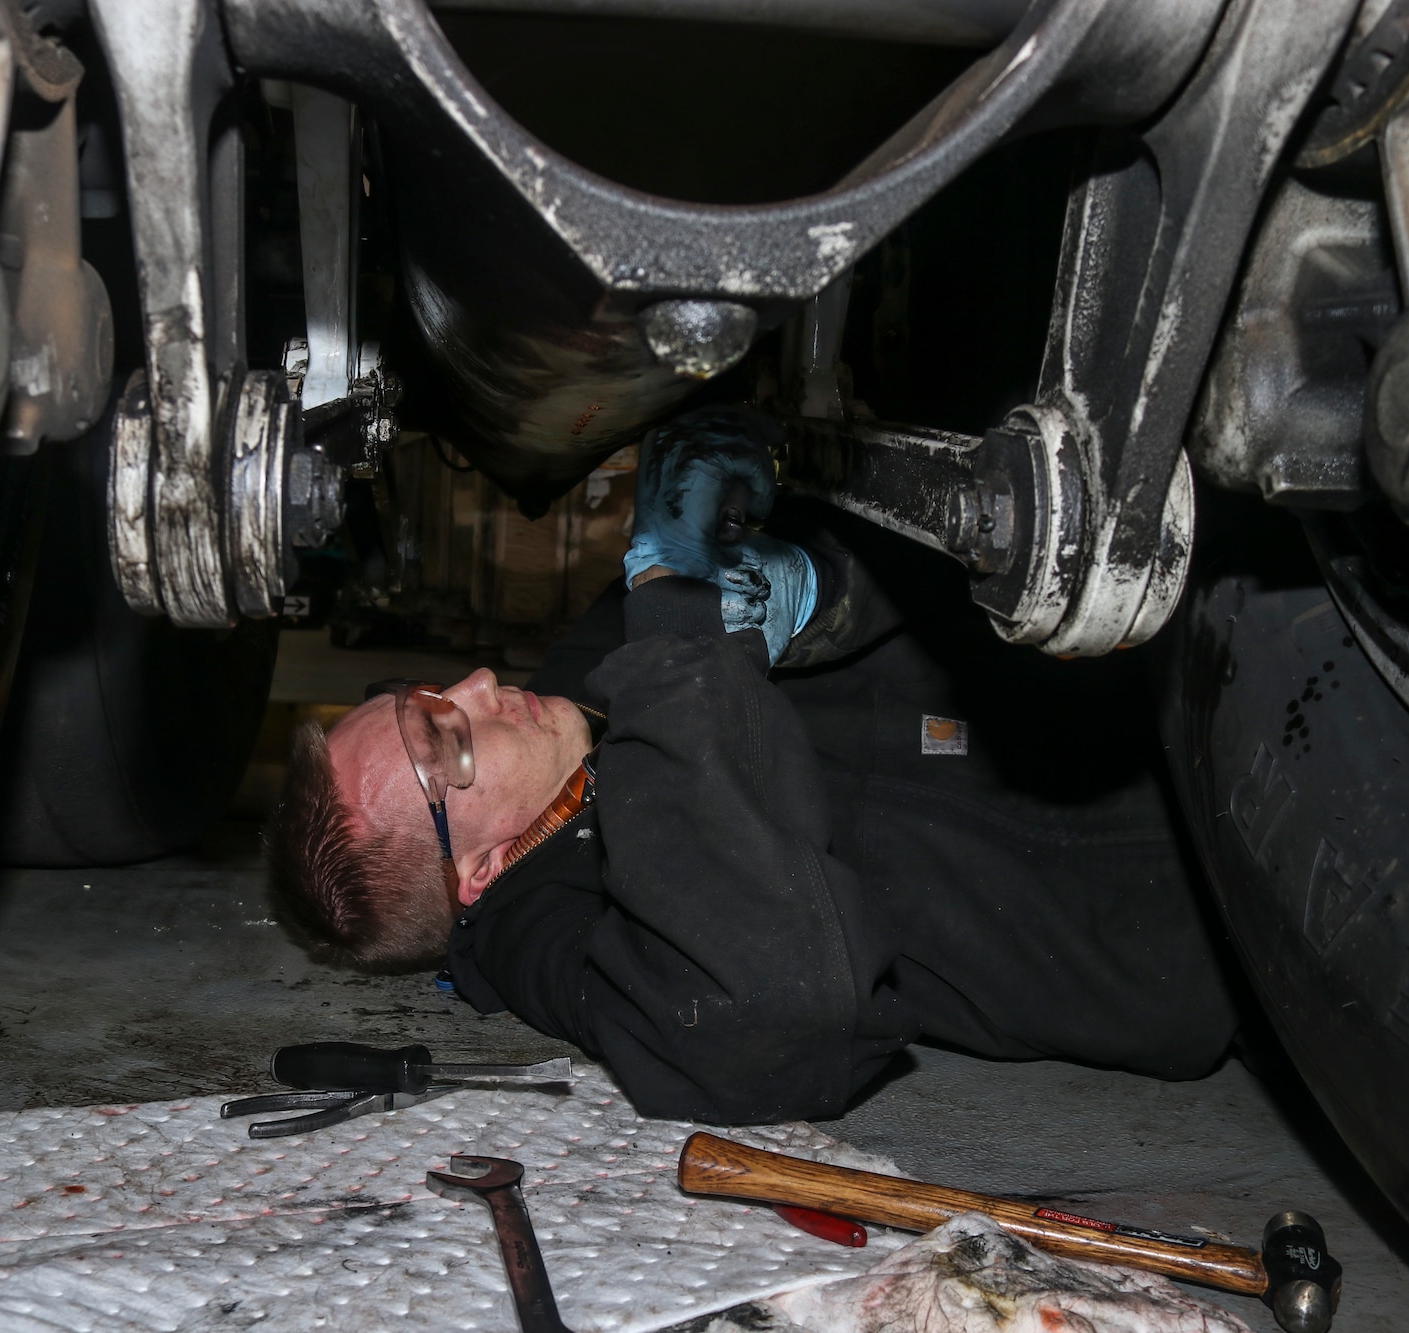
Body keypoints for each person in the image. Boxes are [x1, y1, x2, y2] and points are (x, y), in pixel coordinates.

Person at [272, 405, 1238, 1125]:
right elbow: (762, 1018)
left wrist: (824, 595)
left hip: (1173, 667)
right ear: (476, 871)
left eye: (432, 696)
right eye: (449, 740)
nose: (481, 682)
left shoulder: (572, 677)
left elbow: (902, 555)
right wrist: (679, 632)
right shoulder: (548, 933)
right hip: (1196, 922)